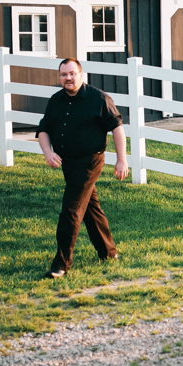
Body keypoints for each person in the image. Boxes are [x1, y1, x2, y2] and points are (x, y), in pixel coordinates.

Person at [37, 58, 127, 279]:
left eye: (72, 73)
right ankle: (108, 253)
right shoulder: (55, 100)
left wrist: (121, 159)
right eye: (63, 74)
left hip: (90, 161)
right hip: (68, 163)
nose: (68, 78)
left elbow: (117, 128)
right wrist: (48, 152)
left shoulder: (98, 98)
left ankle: (61, 264)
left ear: (81, 74)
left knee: (70, 210)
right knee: (90, 209)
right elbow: (43, 129)